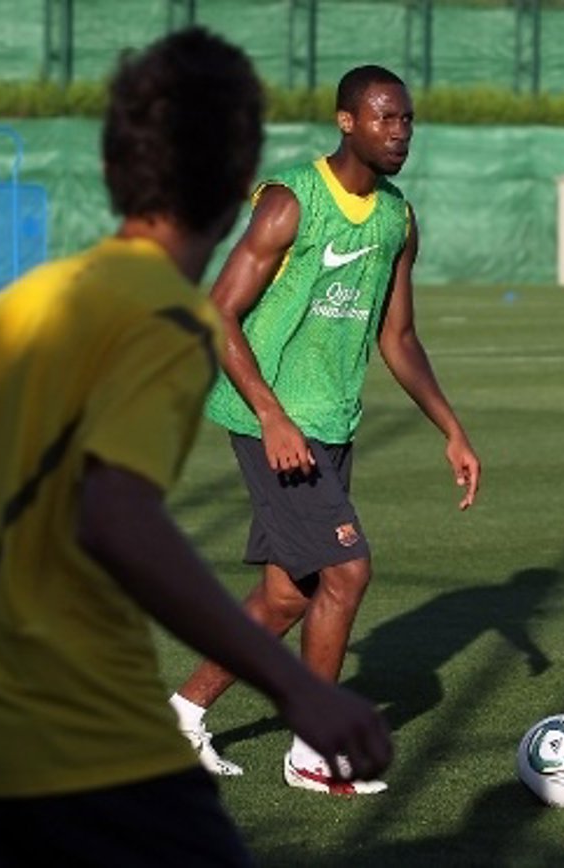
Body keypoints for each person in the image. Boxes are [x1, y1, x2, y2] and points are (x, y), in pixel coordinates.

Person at [0, 29, 391, 867]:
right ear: (240, 188)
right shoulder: (159, 316)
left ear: (111, 172)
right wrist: (298, 688)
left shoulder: (21, 304)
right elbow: (116, 520)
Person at [168, 64, 481, 796]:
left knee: (289, 594)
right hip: (270, 418)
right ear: (347, 122)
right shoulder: (292, 201)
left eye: (407, 119)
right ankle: (314, 750)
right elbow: (217, 311)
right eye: (384, 118)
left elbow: (398, 337)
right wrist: (272, 416)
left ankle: (182, 714)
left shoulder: (398, 219)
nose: (400, 132)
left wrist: (451, 428)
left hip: (332, 420)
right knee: (347, 571)